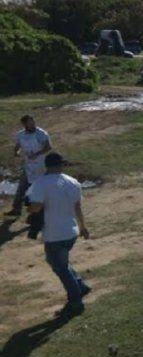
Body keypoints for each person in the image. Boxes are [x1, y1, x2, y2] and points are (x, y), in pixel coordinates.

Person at [27, 153, 90, 317]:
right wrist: (83, 227)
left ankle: (75, 302)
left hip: (54, 234)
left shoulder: (41, 183)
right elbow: (77, 207)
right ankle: (81, 286)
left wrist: (29, 208)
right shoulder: (73, 182)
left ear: (47, 165)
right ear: (61, 165)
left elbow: (36, 208)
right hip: (71, 232)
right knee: (61, 262)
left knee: (60, 268)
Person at [7, 115, 51, 216]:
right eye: (30, 123)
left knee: (39, 189)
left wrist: (37, 154)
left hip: (40, 166)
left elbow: (48, 147)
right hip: (28, 167)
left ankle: (42, 211)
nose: (33, 124)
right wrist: (16, 152)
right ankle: (16, 210)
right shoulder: (21, 134)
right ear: (24, 124)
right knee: (21, 188)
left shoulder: (41, 134)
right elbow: (17, 146)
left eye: (33, 122)